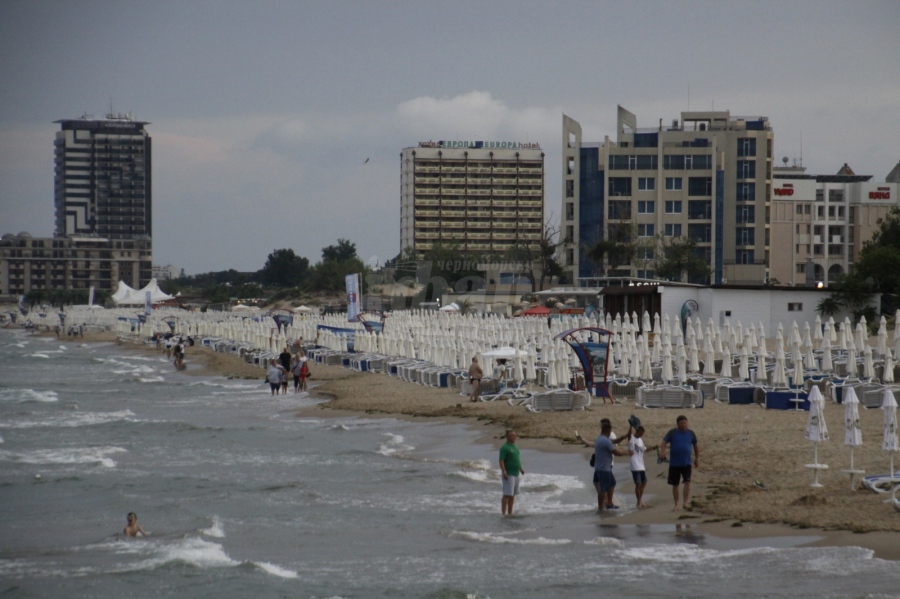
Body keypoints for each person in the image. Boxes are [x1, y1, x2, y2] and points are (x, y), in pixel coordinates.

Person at [577, 421, 633, 511]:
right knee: (603, 489)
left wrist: (624, 437)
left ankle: (609, 503)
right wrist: (627, 452)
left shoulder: (600, 439)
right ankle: (600, 507)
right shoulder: (605, 441)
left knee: (612, 483)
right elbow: (616, 452)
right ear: (608, 431)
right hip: (604, 469)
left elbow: (614, 441)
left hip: (602, 467)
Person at [659, 415, 699, 511]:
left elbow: (696, 446)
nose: (683, 425)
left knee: (687, 482)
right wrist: (662, 452)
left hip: (687, 463)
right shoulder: (672, 432)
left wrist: (697, 458)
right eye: (681, 423)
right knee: (675, 484)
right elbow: (664, 442)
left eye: (685, 423)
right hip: (674, 463)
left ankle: (685, 503)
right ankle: (676, 504)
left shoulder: (691, 433)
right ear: (677, 424)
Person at [626, 425, 658, 508]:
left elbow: (644, 449)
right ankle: (638, 502)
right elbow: (628, 434)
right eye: (641, 433)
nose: (642, 435)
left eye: (642, 433)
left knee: (644, 483)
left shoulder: (640, 440)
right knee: (638, 483)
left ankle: (640, 500)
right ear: (637, 431)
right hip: (634, 464)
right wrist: (630, 426)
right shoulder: (631, 438)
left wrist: (654, 448)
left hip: (641, 465)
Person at [499, 430, 524, 515]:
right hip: (508, 474)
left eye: (515, 435)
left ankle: (510, 512)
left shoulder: (516, 447)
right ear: (507, 437)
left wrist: (521, 468)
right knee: (507, 494)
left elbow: (517, 459)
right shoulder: (504, 448)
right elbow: (501, 460)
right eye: (512, 436)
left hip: (516, 473)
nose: (514, 437)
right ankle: (503, 513)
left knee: (512, 494)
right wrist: (504, 472)